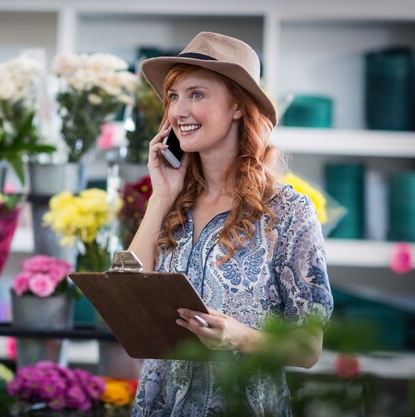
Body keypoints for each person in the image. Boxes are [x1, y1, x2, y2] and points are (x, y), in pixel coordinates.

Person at [128, 31, 334, 416]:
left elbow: (309, 349)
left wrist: (239, 338)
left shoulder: (288, 212)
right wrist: (160, 196)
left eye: (197, 94)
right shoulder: (172, 203)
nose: (178, 111)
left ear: (238, 106)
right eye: (174, 96)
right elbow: (128, 292)